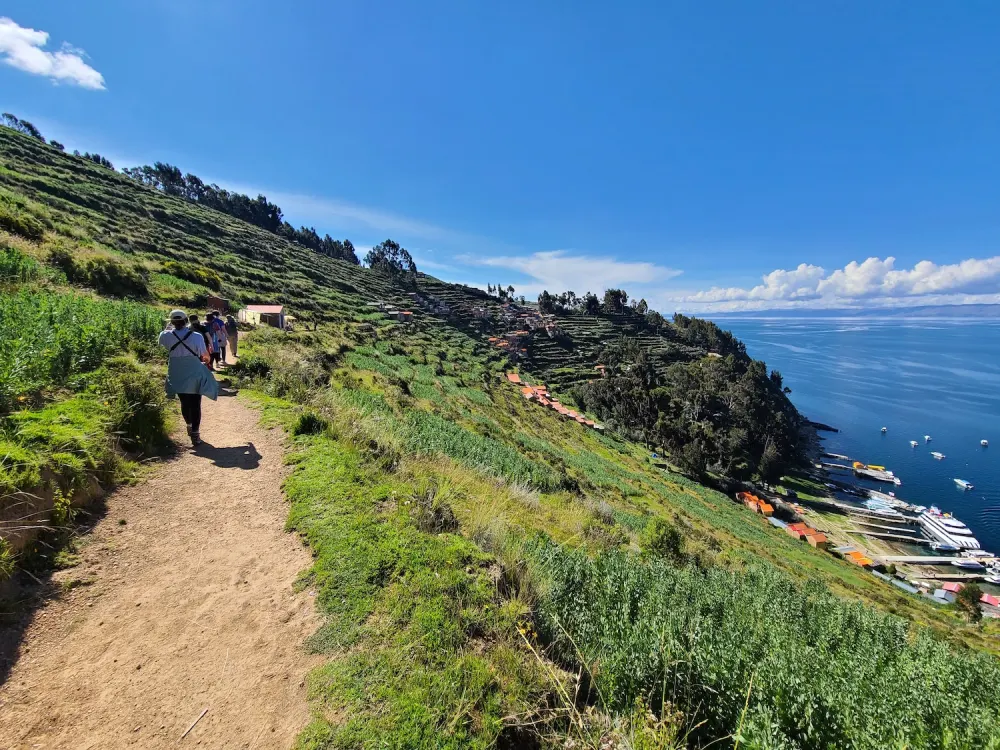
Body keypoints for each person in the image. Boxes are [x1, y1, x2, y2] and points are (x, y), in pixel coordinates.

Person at [159, 309, 219, 446]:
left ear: (172, 322)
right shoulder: (196, 336)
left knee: (184, 402)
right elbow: (205, 355)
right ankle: (195, 434)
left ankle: (189, 425)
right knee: (195, 403)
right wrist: (206, 361)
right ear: (186, 321)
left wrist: (168, 328)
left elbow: (162, 337)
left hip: (176, 371)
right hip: (193, 370)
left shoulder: (165, 336)